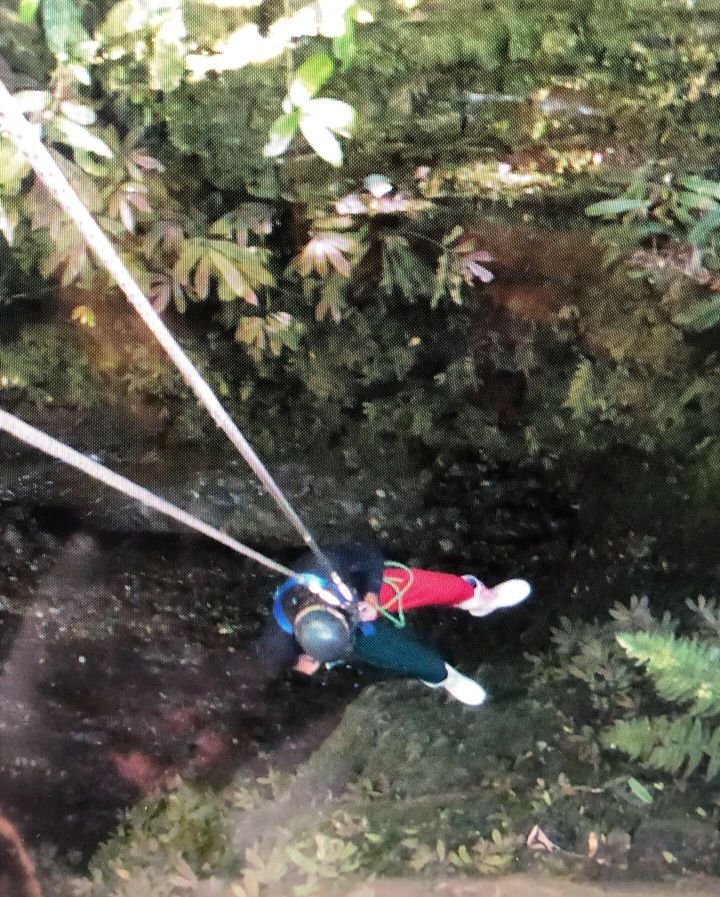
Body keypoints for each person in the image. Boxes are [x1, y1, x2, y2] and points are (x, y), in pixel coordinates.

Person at [258, 542, 531, 706]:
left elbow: (368, 554)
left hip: (358, 590)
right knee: (412, 659)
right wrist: (303, 663)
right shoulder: (276, 645)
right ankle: (447, 677)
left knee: (436, 586)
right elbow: (277, 666)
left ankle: (479, 599)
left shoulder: (325, 565)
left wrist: (372, 596)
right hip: (347, 629)